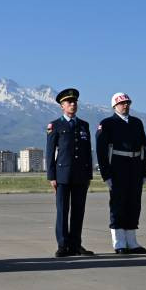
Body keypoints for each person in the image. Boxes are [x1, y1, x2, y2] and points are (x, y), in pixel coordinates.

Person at [96, 92, 146, 254]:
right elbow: (101, 151)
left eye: (127, 102)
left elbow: (144, 148)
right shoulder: (107, 123)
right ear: (114, 106)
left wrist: (145, 172)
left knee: (134, 203)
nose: (125, 105)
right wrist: (106, 174)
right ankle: (119, 242)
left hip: (135, 166)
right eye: (121, 103)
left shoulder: (136, 122)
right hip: (117, 167)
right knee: (118, 204)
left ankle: (132, 241)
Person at [45, 88, 94, 258]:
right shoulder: (55, 126)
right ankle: (63, 245)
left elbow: (88, 152)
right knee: (62, 211)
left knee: (79, 211)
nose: (72, 104)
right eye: (69, 102)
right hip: (62, 176)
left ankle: (76, 244)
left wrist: (89, 174)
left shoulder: (83, 125)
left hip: (80, 175)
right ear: (62, 106)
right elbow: (50, 152)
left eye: (74, 102)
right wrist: (51, 176)